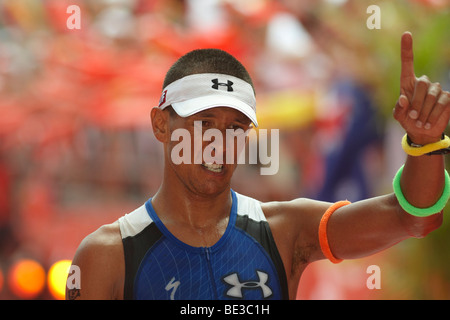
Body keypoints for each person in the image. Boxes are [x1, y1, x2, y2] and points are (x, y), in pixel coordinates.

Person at [66, 32, 450, 300]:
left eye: (235, 128)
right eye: (203, 124)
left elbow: (412, 218)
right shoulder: (105, 255)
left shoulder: (285, 230)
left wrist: (426, 142)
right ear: (161, 125)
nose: (219, 143)